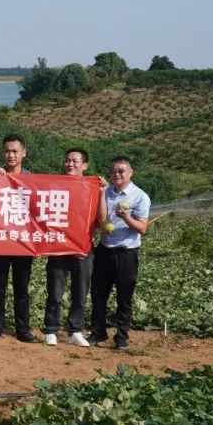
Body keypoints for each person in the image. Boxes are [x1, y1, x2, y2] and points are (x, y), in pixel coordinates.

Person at [43, 148, 108, 347]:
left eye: (74, 161)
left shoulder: (92, 187)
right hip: (59, 246)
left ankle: (75, 330)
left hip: (83, 248)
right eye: (67, 161)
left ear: (85, 166)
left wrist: (102, 193)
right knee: (55, 291)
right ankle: (51, 330)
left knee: (80, 292)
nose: (70, 164)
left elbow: (102, 219)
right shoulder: (55, 185)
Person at [89, 156, 151, 350]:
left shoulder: (140, 196)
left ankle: (122, 336)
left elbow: (142, 228)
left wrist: (126, 218)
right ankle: (98, 332)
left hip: (126, 253)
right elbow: (99, 219)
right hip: (104, 250)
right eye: (113, 171)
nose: (116, 174)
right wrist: (101, 227)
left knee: (124, 296)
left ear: (130, 172)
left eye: (121, 171)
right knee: (99, 294)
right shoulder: (105, 193)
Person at [0, 134, 37, 342]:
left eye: (15, 151)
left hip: (22, 241)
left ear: (24, 153)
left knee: (22, 288)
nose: (11, 155)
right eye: (7, 151)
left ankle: (23, 329)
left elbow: (37, 212)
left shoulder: (32, 179)